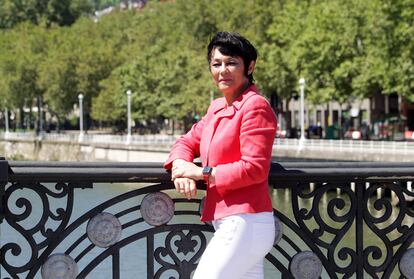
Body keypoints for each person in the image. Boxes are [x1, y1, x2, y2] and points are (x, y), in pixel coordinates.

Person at [164, 31, 277, 279]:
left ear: (250, 66)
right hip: (233, 223)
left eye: (231, 63)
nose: (223, 70)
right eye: (216, 64)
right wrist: (180, 165)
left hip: (246, 221)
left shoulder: (255, 106)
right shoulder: (217, 108)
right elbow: (186, 141)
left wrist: (200, 172)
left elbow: (255, 168)